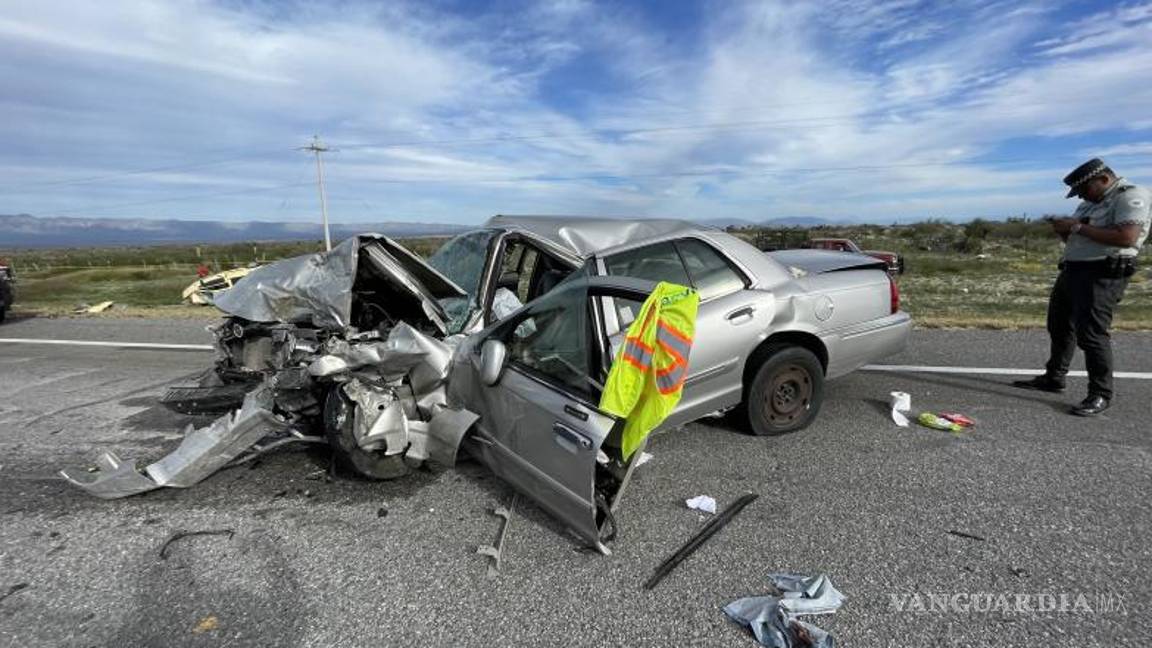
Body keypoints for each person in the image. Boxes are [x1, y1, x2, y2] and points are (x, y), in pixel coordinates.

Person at [1013, 158, 1151, 416]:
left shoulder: (1130, 196)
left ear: (1103, 179)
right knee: (1059, 325)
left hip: (1102, 273)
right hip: (1073, 270)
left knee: (1092, 334)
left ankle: (1100, 393)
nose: (1083, 196)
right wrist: (1064, 229)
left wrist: (1077, 226)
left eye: (1085, 189)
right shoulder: (1089, 202)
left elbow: (1127, 237)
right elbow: (1078, 235)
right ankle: (1054, 377)